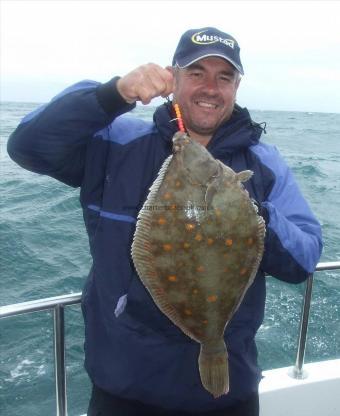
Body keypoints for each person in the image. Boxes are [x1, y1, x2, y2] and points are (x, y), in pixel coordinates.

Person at [7, 27, 323, 416]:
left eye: (224, 77)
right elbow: (28, 148)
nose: (211, 86)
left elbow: (304, 259)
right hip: (124, 387)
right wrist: (113, 94)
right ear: (172, 78)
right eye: (196, 73)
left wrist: (252, 213)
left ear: (237, 86)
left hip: (229, 392)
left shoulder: (265, 163)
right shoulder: (116, 143)